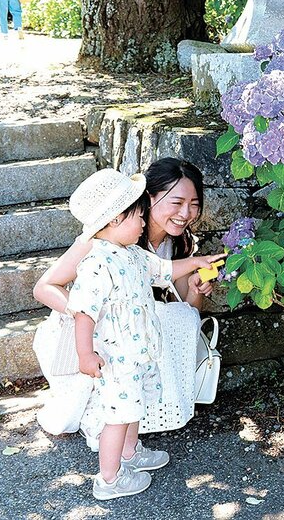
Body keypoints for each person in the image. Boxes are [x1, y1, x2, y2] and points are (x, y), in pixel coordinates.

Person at [63, 169, 224, 500]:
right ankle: (109, 479)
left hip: (140, 352)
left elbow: (166, 271)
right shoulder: (96, 263)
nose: (141, 223)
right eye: (137, 217)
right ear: (115, 219)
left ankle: (131, 453)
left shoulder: (133, 254)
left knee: (134, 408)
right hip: (116, 358)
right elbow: (83, 312)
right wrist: (84, 354)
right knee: (117, 417)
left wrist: (199, 261)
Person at [34, 158, 213, 442]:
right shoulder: (102, 241)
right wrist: (94, 314)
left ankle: (154, 414)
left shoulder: (176, 243)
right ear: (149, 198)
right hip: (91, 334)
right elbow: (44, 287)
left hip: (136, 339)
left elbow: (187, 314)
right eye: (176, 202)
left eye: (194, 203)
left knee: (170, 316)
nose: (186, 213)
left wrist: (195, 289)